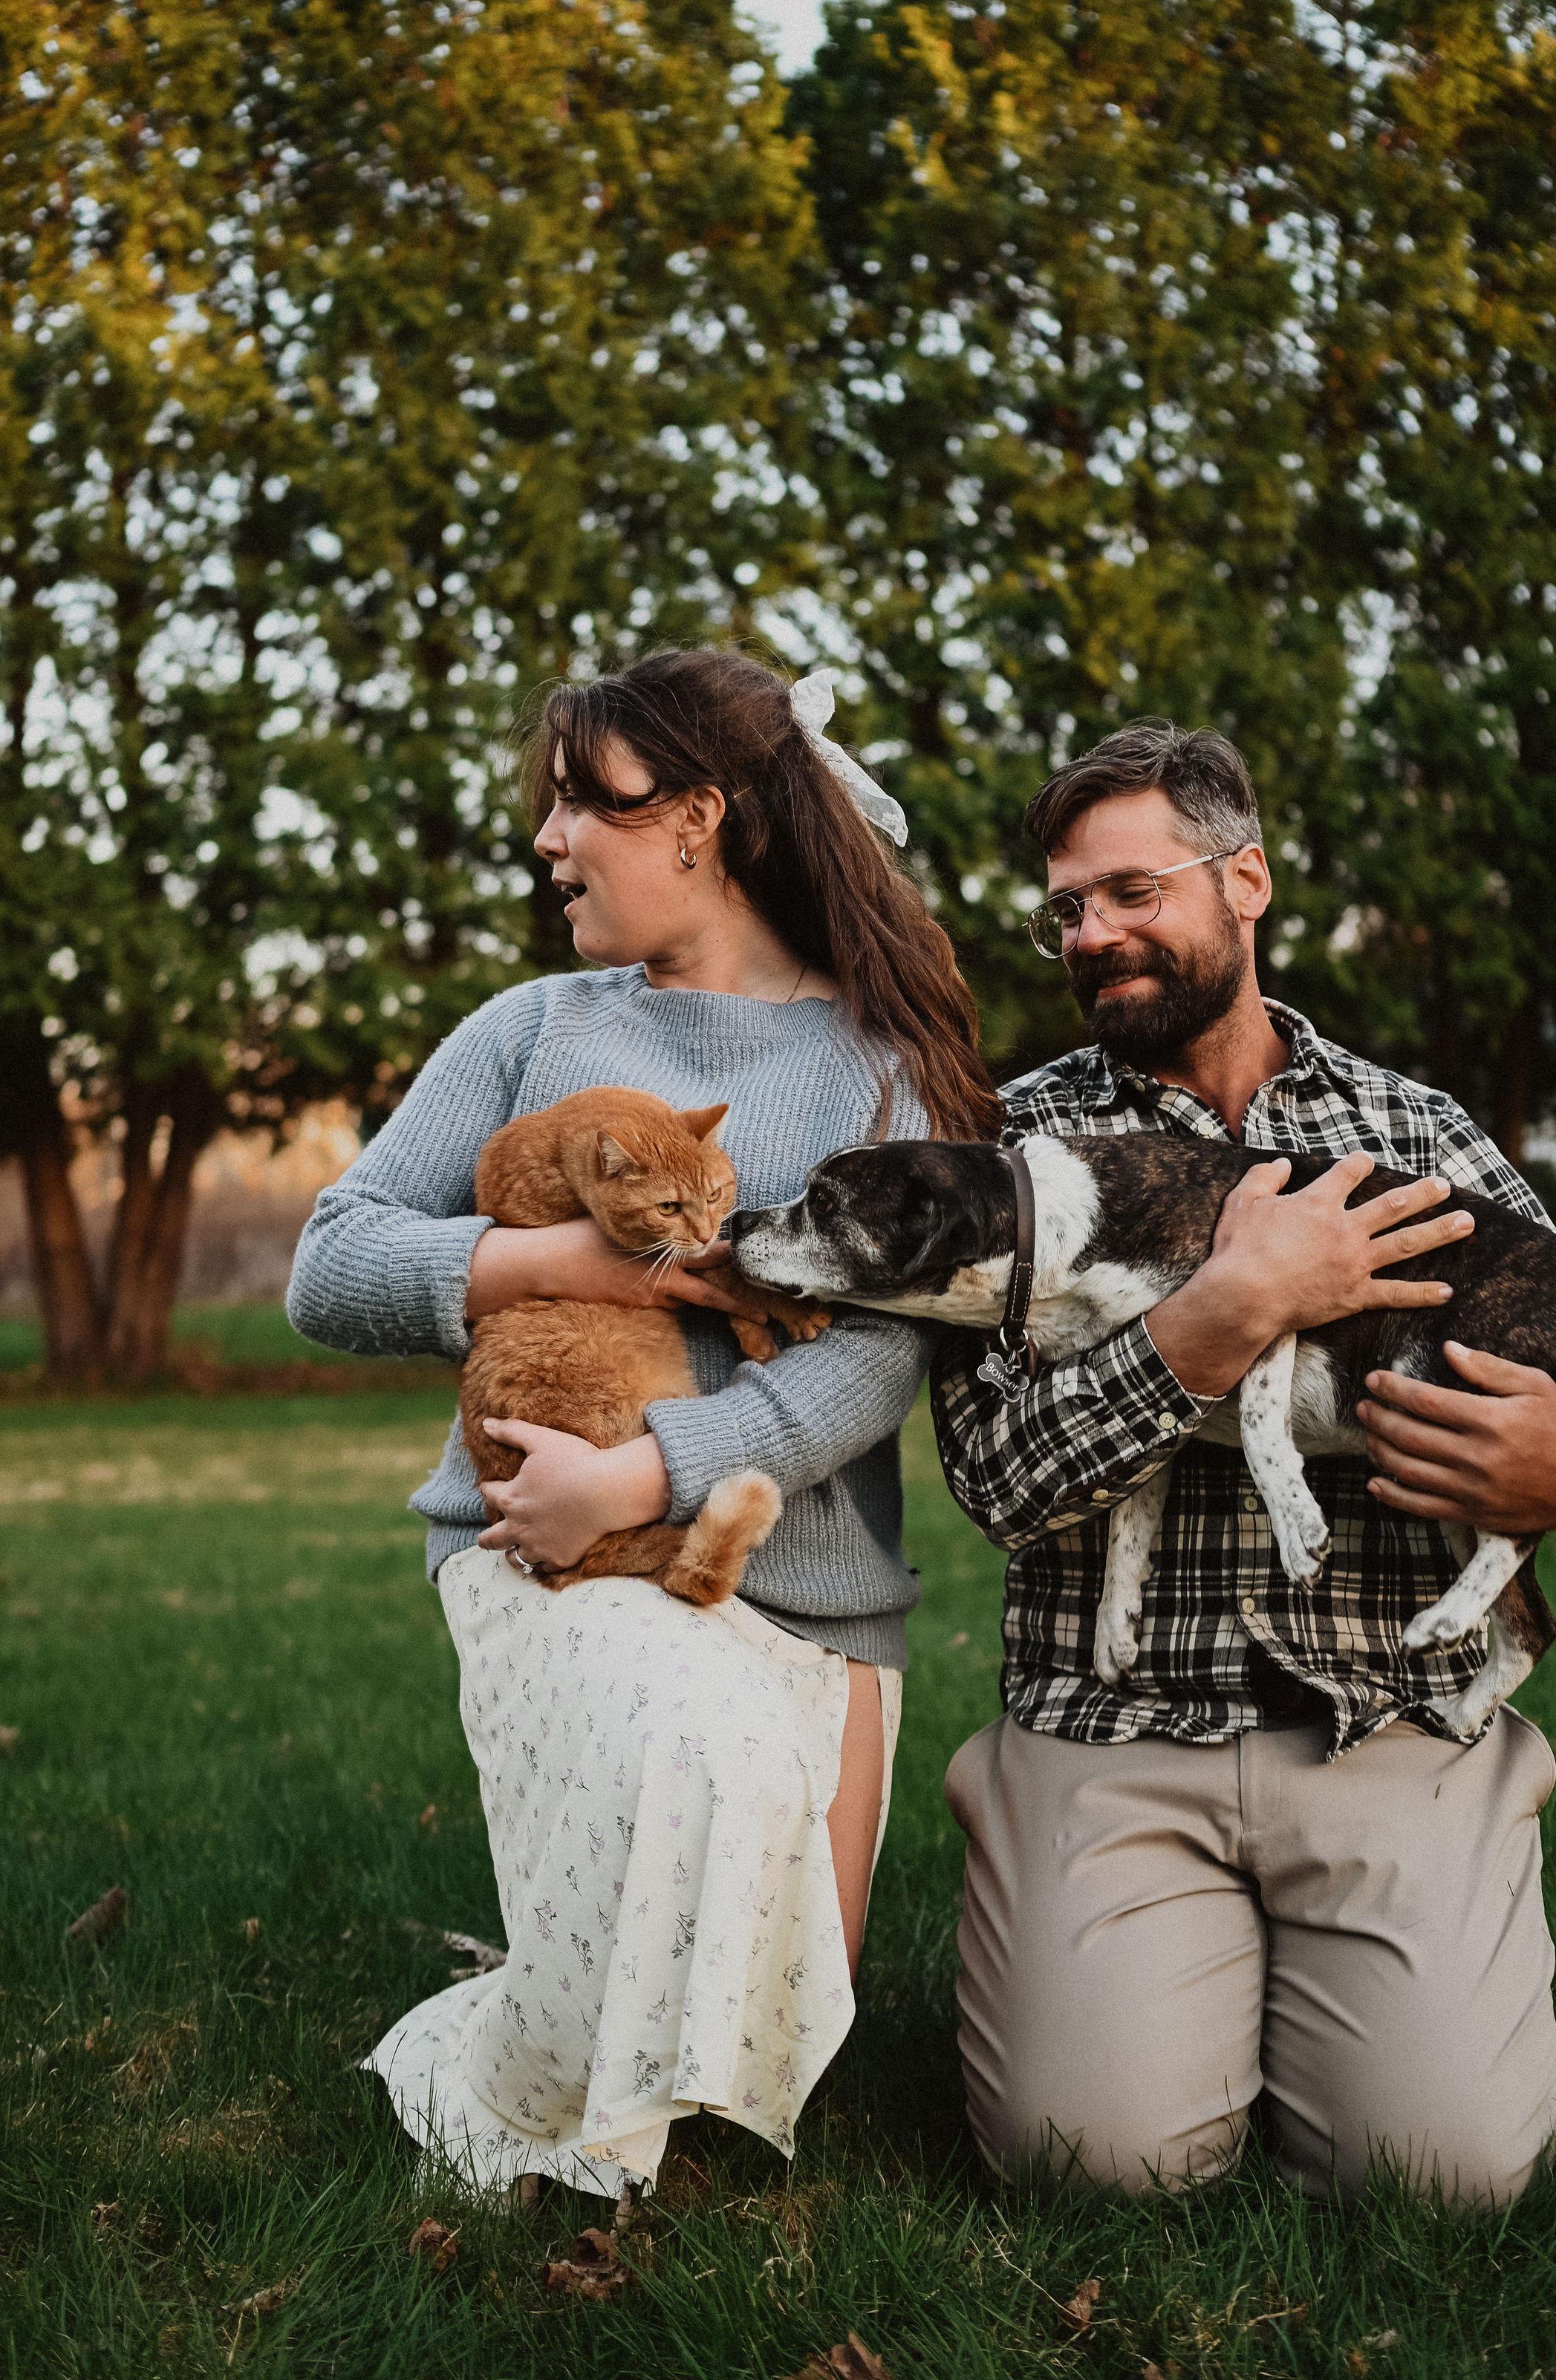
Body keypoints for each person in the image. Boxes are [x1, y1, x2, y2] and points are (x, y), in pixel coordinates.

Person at [929, 720, 1556, 2206]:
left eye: (1133, 892)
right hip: (1115, 1723)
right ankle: (1027, 1817)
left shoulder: (1413, 1129)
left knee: (1441, 2175)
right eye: (1066, 909)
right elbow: (996, 1481)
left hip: (1381, 1721)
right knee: (1094, 2163)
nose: (1093, 934)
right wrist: (1221, 1317)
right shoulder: (1015, 1152)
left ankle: (1448, 1851)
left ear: (1248, 881)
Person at [287, 648, 1000, 2202]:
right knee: (699, 1769)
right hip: (553, 1553)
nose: (546, 839)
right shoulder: (531, 1032)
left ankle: (557, 1986)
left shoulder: (885, 1068)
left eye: (579, 803)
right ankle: (486, 2085)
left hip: (809, 1593)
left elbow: (877, 1362)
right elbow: (329, 1265)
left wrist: (650, 1470)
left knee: (752, 2077)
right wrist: (573, 1265)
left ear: (698, 818)